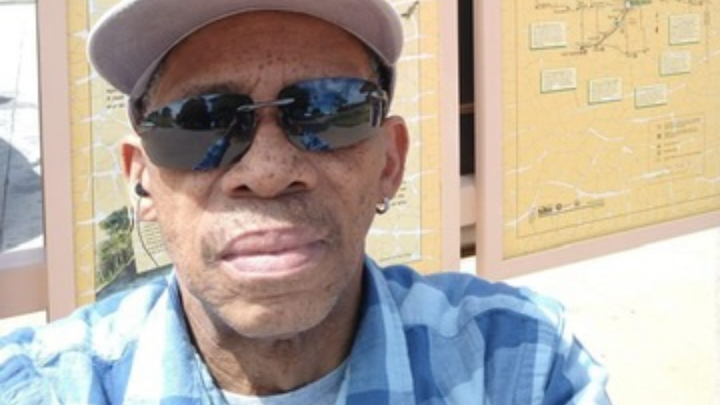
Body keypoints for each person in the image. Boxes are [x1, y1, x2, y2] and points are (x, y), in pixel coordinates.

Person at [0, 0, 611, 403]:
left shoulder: (523, 365)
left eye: (327, 109)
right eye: (200, 121)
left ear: (390, 164)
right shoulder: (41, 386)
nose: (267, 172)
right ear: (142, 182)